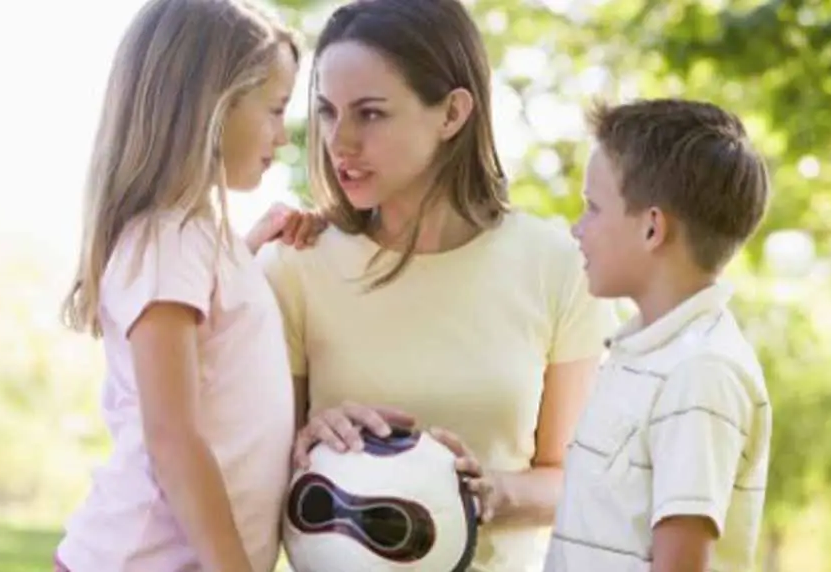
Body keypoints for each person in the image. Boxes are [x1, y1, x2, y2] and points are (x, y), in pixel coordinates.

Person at [258, 0, 617, 570]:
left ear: (452, 113)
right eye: (327, 111)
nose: (339, 141)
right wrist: (310, 441)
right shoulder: (296, 266)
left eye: (370, 114)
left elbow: (577, 478)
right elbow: (251, 473)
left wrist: (495, 491)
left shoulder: (556, 266)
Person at [55, 0, 322, 570]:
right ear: (213, 107)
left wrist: (249, 251)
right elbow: (173, 438)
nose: (283, 134)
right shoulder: (169, 240)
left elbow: (218, 343)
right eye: (274, 110)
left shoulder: (196, 240)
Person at [543, 99, 772, 572]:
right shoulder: (641, 355)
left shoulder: (700, 374)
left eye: (592, 208)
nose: (577, 228)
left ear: (652, 228)